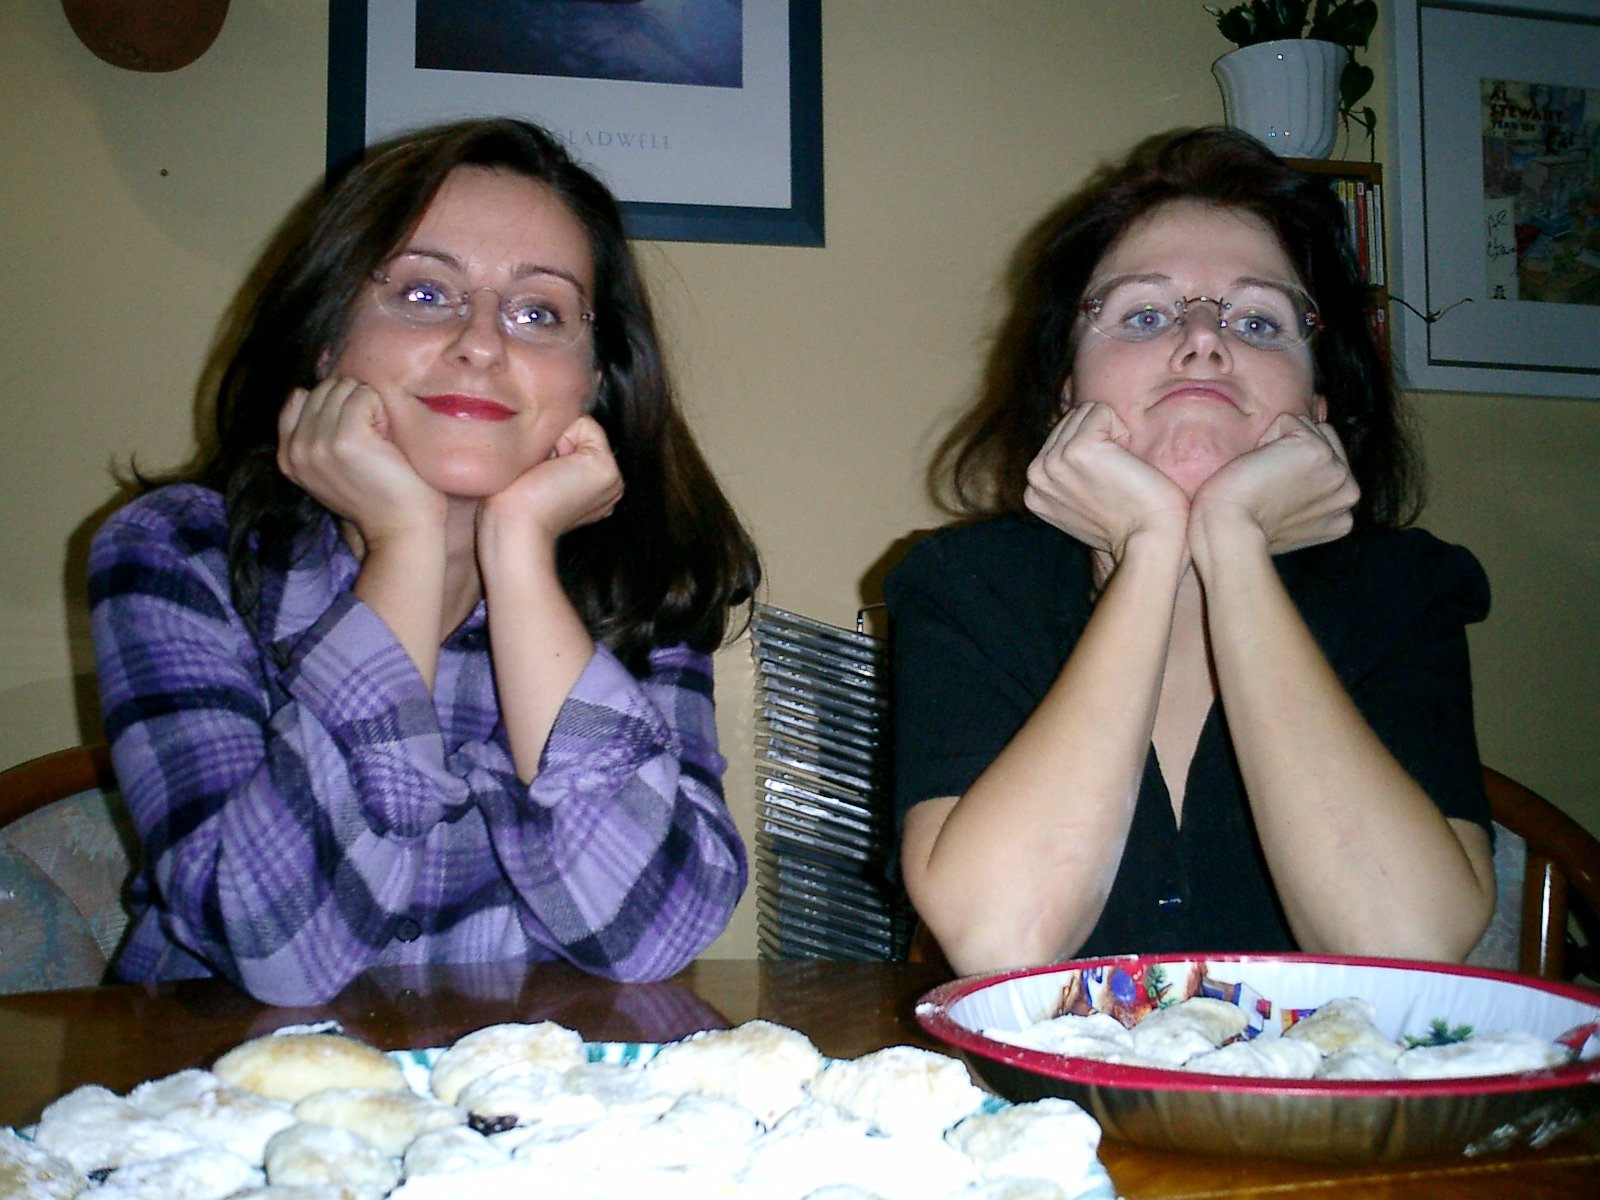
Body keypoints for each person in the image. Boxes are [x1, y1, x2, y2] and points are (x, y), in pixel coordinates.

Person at [89, 118, 761, 1005]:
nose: (482, 342)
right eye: (423, 293)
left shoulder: (644, 581)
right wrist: (406, 546)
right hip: (222, 1075)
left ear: (594, 381)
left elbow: (651, 937)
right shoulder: (180, 553)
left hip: (524, 1082)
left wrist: (520, 556)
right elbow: (275, 952)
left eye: (539, 313)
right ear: (327, 341)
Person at [886, 127, 1495, 976]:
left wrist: (1234, 543)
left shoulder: (1403, 589)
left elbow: (1404, 948)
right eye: (1144, 315)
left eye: (1258, 321)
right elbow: (1003, 939)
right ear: (1067, 394)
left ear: (1317, 408)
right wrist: (1150, 546)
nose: (1205, 341)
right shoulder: (968, 585)